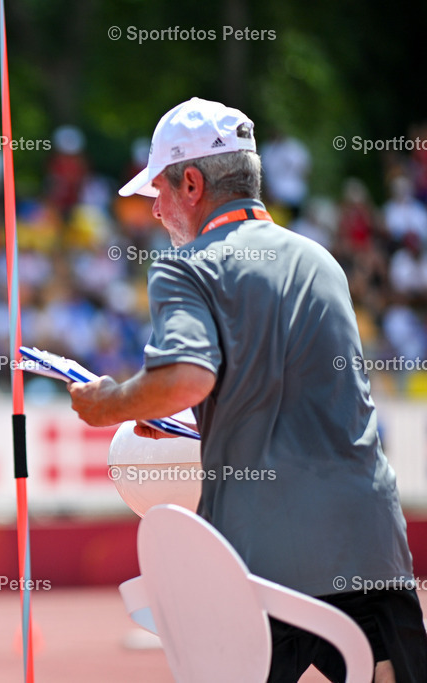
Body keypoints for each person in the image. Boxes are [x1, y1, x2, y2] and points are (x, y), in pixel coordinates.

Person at [68, 98, 427, 683]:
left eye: (157, 190)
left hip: (259, 561)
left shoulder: (189, 267)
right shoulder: (322, 261)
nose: (155, 209)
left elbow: (188, 378)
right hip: (367, 542)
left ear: (191, 182)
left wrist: (110, 402)